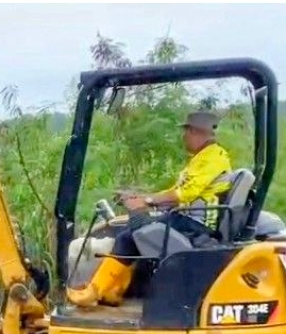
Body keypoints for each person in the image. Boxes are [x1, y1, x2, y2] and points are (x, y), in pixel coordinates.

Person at [66, 110, 234, 307]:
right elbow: (176, 190)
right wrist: (143, 198)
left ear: (197, 132)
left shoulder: (213, 159)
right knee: (131, 233)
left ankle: (94, 292)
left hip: (195, 225)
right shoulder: (203, 157)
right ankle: (111, 290)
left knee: (130, 236)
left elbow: (185, 194)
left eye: (186, 132)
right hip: (185, 219)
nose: (184, 137)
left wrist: (147, 201)